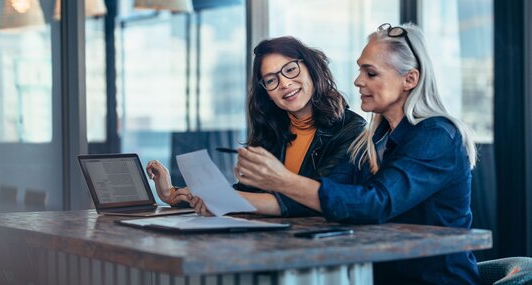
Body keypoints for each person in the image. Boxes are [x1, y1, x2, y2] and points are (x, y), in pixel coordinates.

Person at [209, 23, 479, 284]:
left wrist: (282, 180)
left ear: (410, 79)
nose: (358, 81)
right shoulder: (373, 140)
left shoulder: (437, 136)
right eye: (360, 70)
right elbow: (331, 196)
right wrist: (211, 197)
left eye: (370, 73)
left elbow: (376, 203)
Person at [146, 36, 365, 217]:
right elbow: (247, 193)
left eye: (290, 69)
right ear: (266, 93)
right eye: (271, 80)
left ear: (311, 68)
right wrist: (174, 194)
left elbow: (317, 199)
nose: (285, 84)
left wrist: (223, 200)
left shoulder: (351, 129)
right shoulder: (273, 130)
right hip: (270, 242)